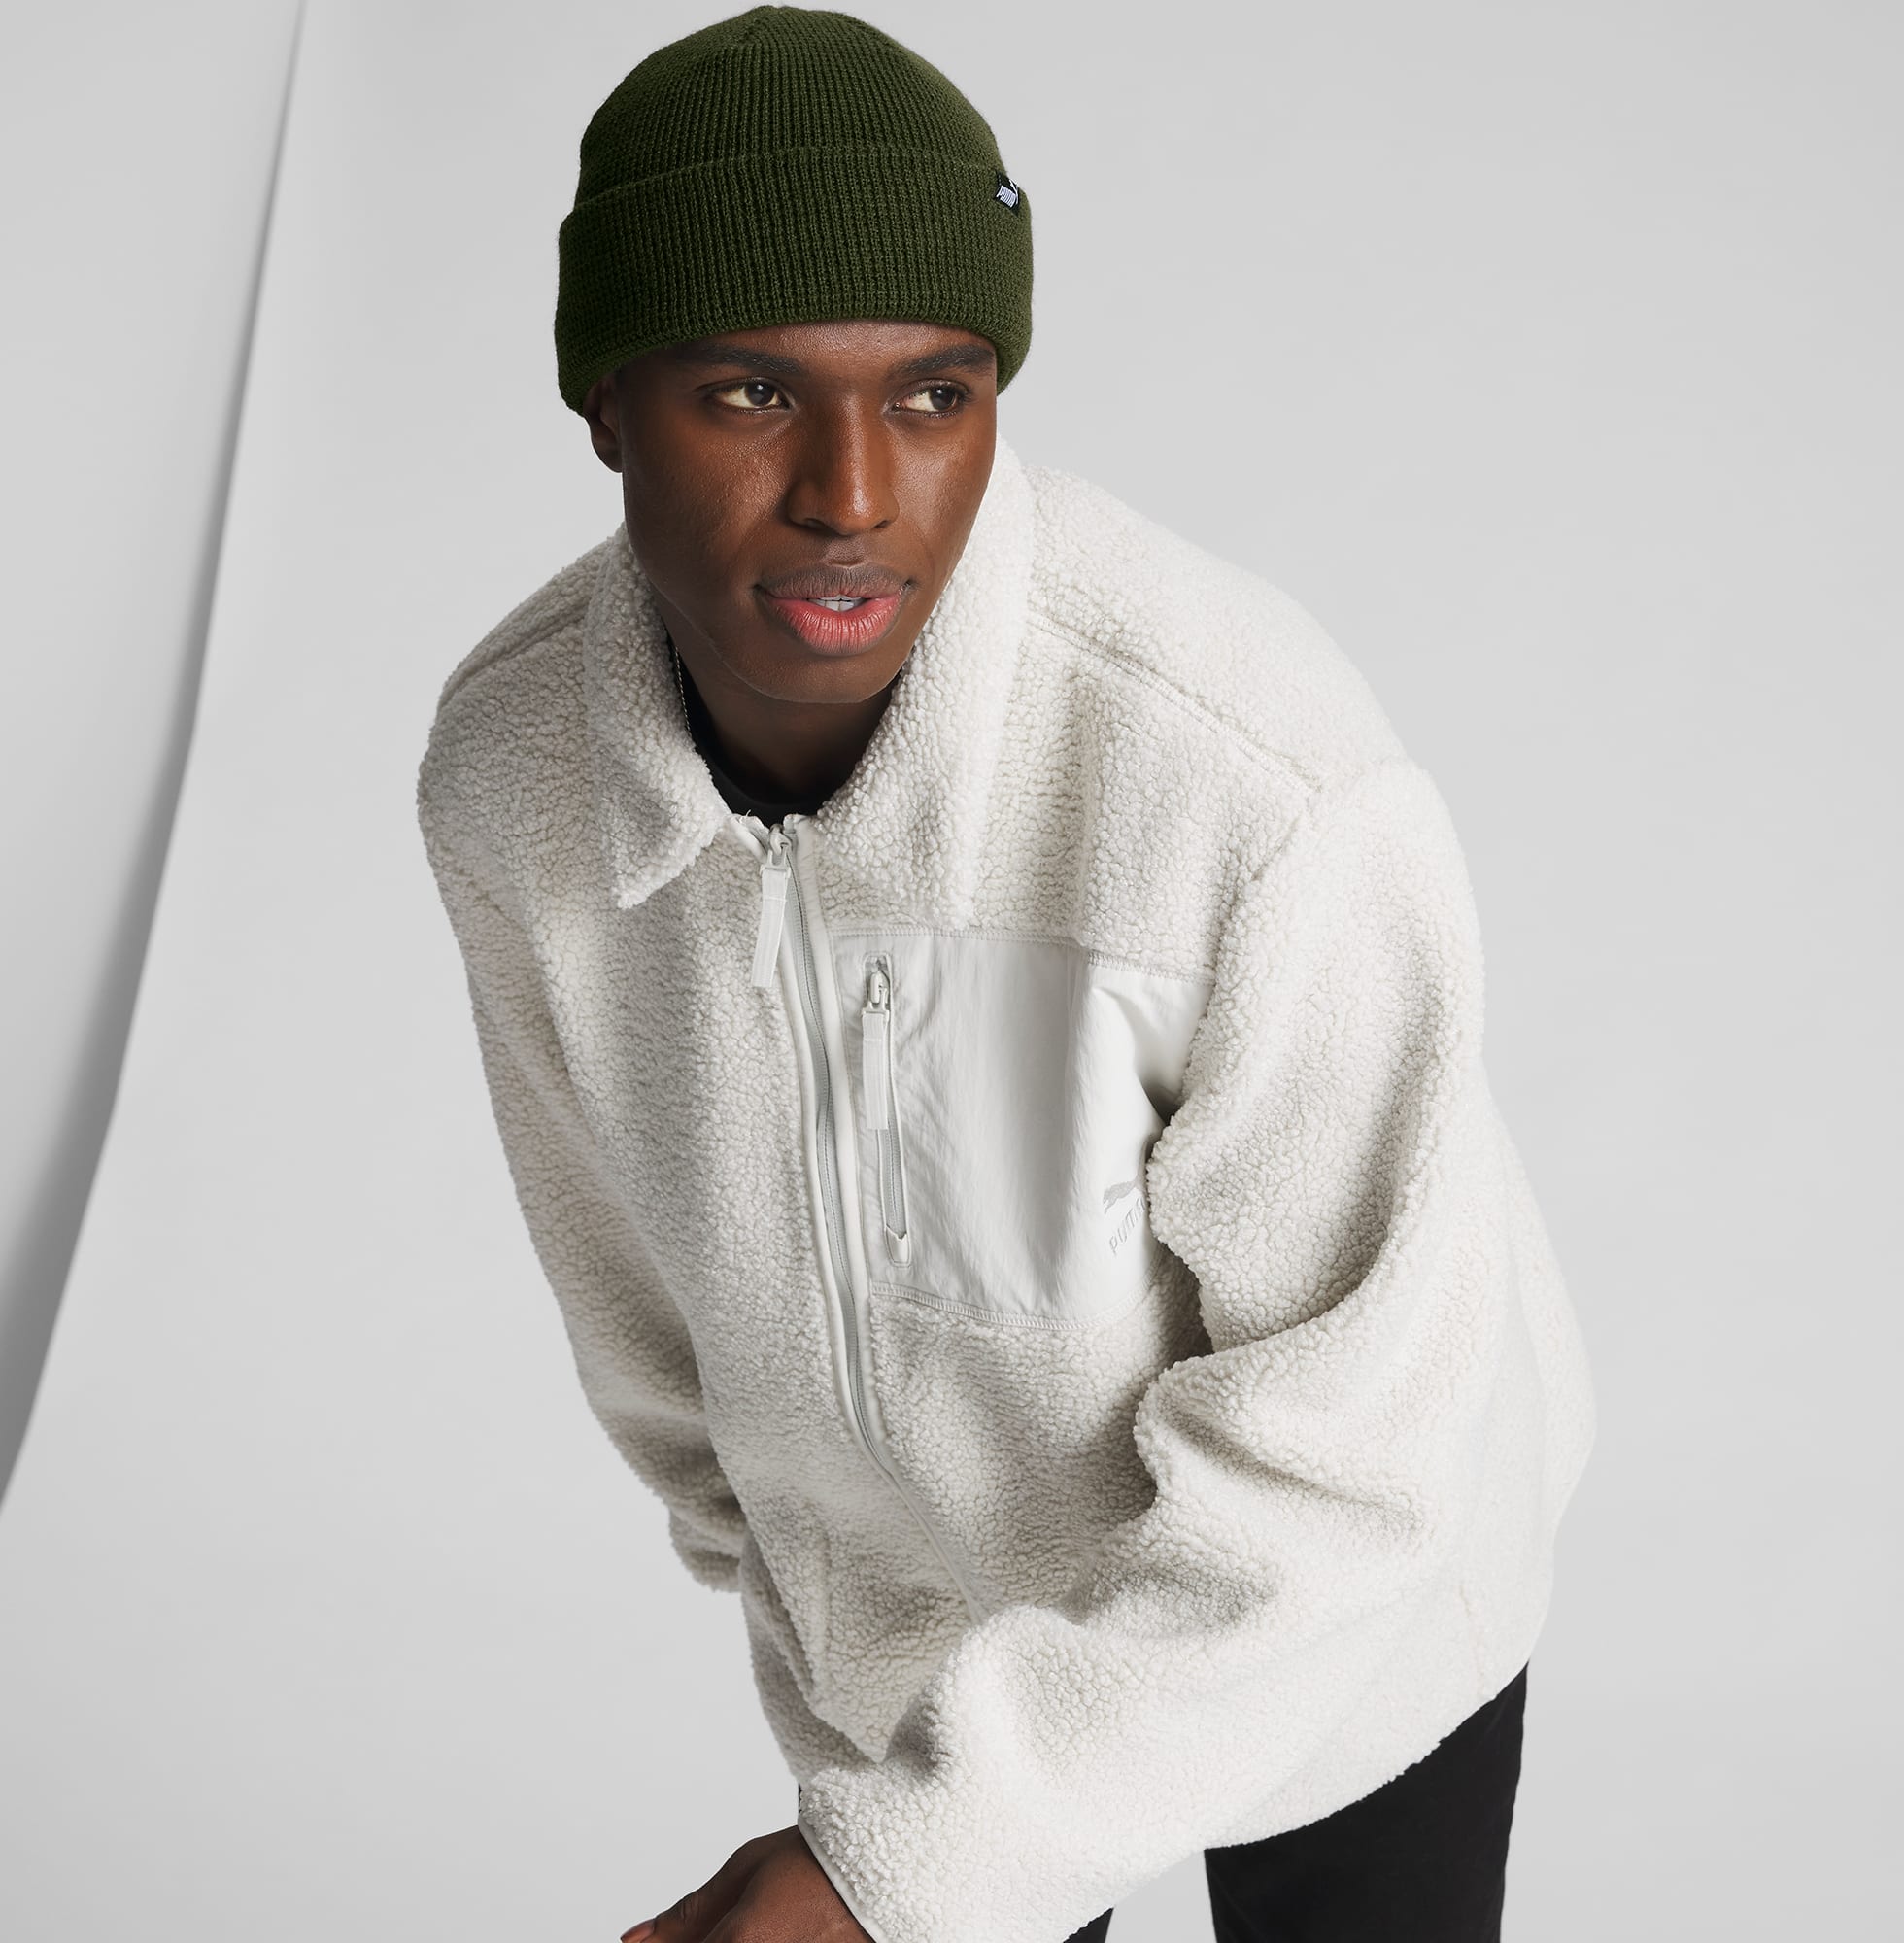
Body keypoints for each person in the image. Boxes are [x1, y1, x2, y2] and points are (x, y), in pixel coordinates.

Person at [414, 8, 1597, 1942]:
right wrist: (879, 1712)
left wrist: (898, 1867)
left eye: (935, 392)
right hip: (923, 1639)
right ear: (605, 398)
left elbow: (1355, 1458)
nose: (853, 490)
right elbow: (642, 1317)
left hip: (1350, 1600)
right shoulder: (516, 782)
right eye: (748, 392)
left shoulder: (1251, 787)